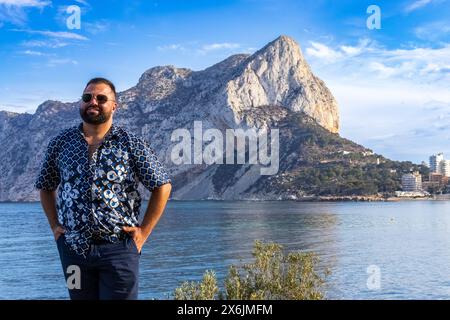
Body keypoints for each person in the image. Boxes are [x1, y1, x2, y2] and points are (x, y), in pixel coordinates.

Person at [35, 77, 172, 300]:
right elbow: (45, 186)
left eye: (101, 98)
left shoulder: (130, 143)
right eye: (87, 97)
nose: (93, 102)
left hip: (120, 251)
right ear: (81, 103)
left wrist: (144, 232)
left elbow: (162, 186)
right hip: (72, 251)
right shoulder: (60, 143)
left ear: (114, 106)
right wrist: (55, 227)